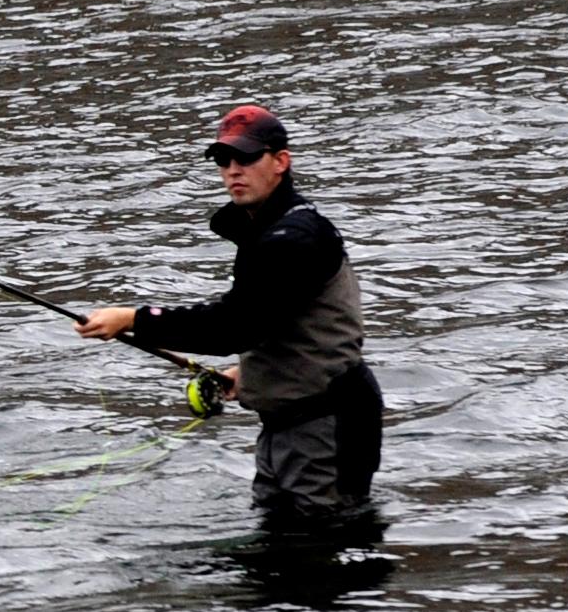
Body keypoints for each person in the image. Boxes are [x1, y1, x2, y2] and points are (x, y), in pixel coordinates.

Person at [75, 104, 381, 529]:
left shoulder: (293, 239)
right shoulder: (266, 231)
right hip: (290, 424)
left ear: (280, 162)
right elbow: (281, 320)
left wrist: (134, 319)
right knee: (278, 550)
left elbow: (232, 326)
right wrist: (254, 371)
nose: (234, 170)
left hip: (325, 426)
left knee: (317, 556)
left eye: (247, 158)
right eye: (224, 160)